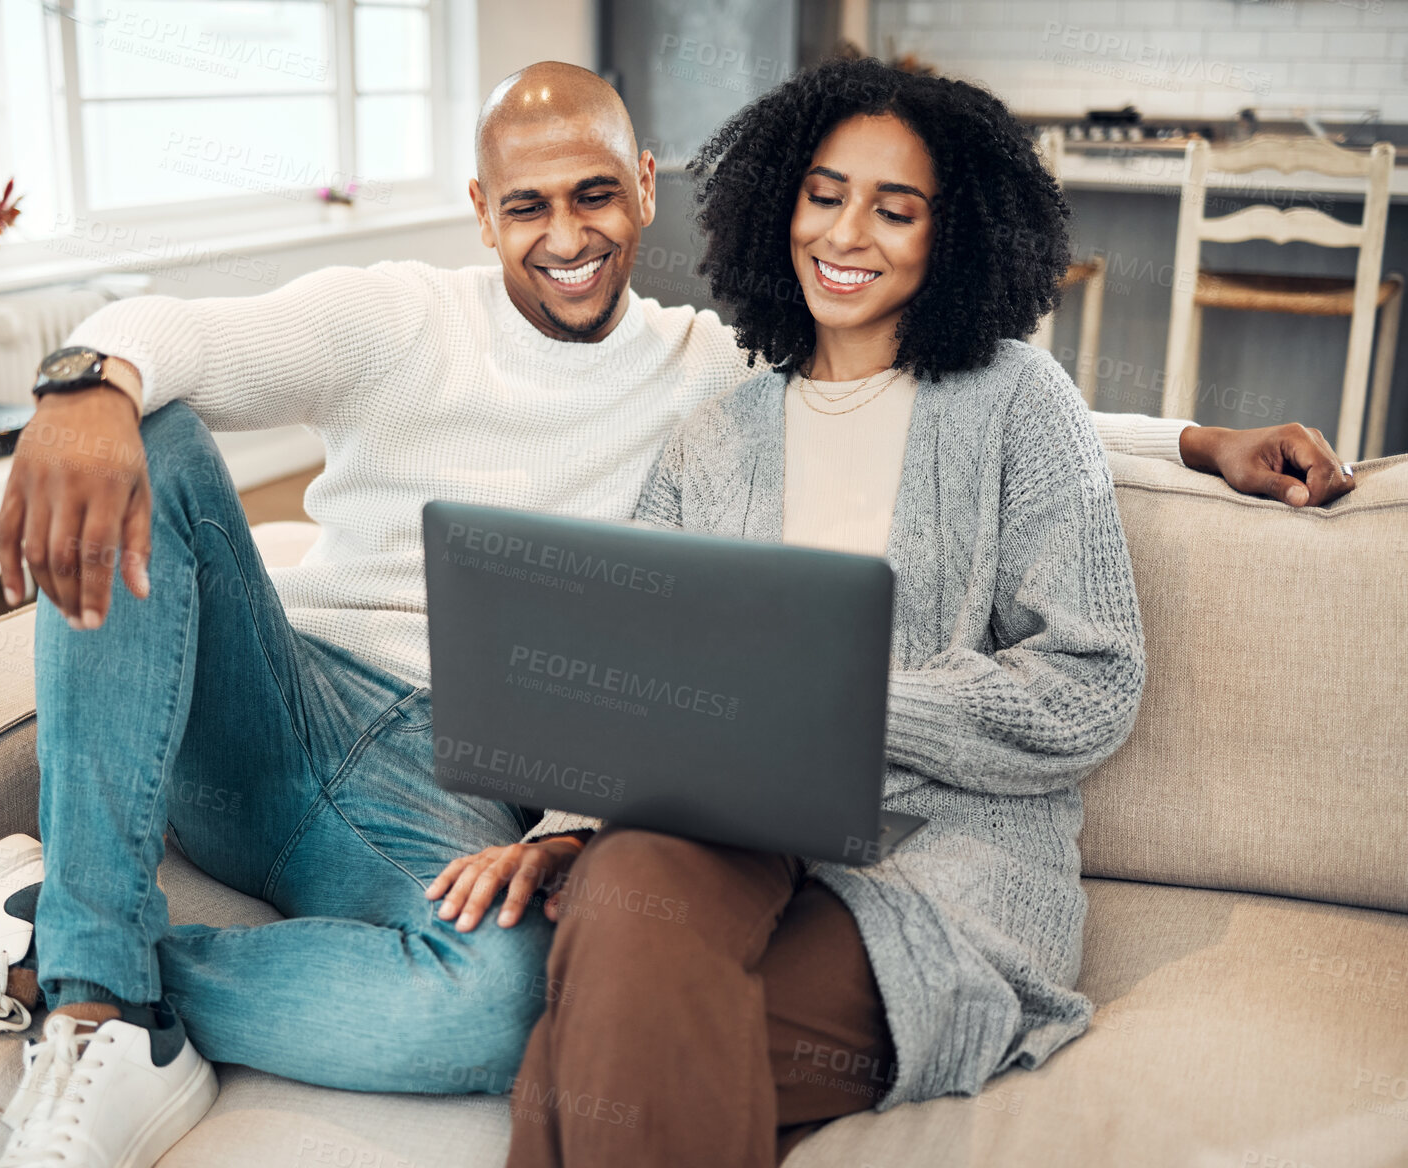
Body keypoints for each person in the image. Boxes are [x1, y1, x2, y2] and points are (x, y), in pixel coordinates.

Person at [0, 61, 1355, 1168]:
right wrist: (86, 377)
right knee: (155, 436)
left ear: (646, 190)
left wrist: (1196, 441)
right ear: (478, 210)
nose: (567, 234)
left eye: (595, 196)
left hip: (647, 822)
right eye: (526, 208)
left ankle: (54, 951)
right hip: (330, 714)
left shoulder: (814, 382)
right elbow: (196, 337)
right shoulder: (564, 370)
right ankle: (97, 981)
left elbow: (1037, 534)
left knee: (518, 996)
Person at [422, 57, 1172, 1167]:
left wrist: (835, 709)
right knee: (624, 880)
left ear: (952, 232)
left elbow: (1091, 683)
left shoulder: (1021, 402)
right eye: (824, 194)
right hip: (727, 828)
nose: (847, 233)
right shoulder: (714, 435)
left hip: (943, 861)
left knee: (574, 1064)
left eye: (895, 207)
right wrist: (569, 823)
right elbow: (624, 671)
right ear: (781, 203)